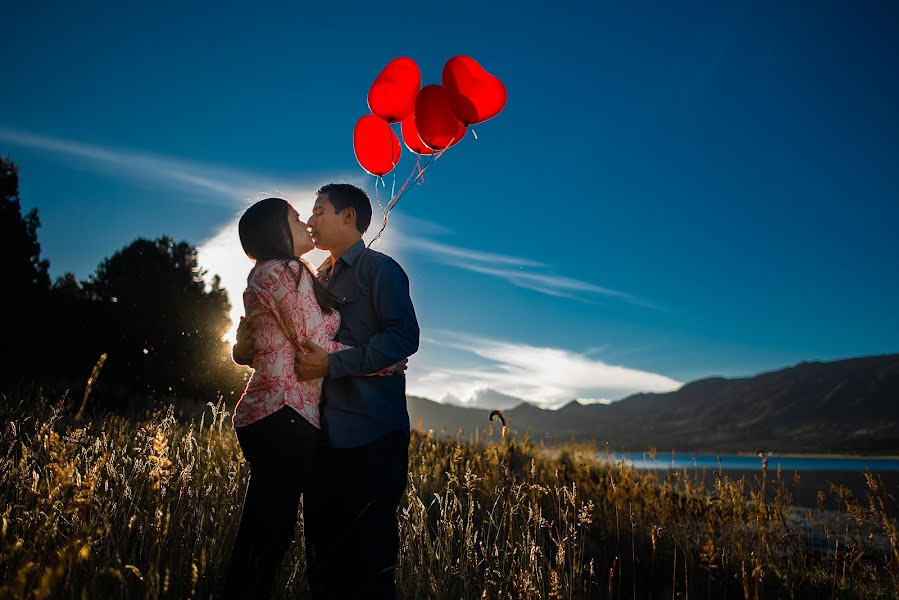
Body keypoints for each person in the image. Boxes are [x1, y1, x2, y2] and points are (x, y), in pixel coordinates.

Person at [236, 183, 420, 599]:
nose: (311, 220)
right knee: (323, 561)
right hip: (321, 435)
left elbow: (404, 336)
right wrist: (243, 349)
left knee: (371, 562)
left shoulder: (380, 270)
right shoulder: (310, 276)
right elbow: (286, 340)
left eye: (319, 212)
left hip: (372, 432)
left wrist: (335, 363)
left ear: (348, 217)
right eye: (305, 216)